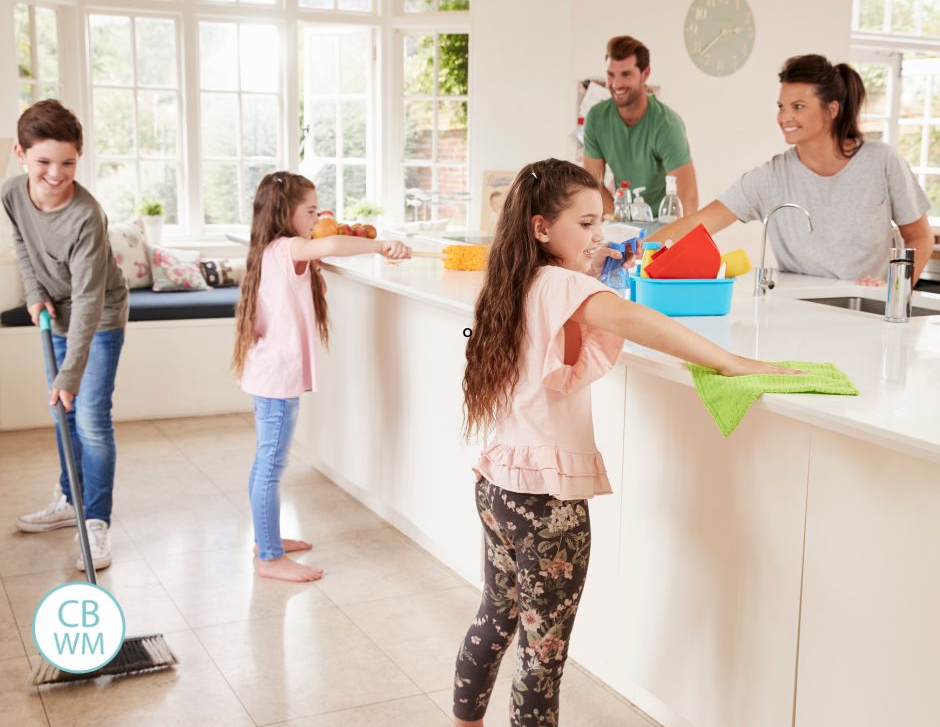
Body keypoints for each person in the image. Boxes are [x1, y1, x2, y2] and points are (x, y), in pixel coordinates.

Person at [452, 159, 794, 726]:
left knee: (495, 616)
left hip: (498, 487)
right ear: (542, 228)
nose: (598, 236)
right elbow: (634, 317)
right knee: (543, 657)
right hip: (548, 505)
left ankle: (465, 722)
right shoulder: (563, 284)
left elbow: (563, 345)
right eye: (585, 225)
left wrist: (594, 269)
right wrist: (730, 360)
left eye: (601, 223)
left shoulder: (513, 280)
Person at [232, 171, 410, 583]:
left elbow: (323, 245)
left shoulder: (273, 249)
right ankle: (269, 556)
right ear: (284, 212)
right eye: (310, 210)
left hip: (270, 374)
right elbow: (328, 243)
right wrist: (382, 245)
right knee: (270, 466)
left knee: (268, 462)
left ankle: (267, 539)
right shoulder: (288, 248)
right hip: (276, 379)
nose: (317, 217)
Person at [653, 54, 934, 284]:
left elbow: (919, 236)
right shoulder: (772, 177)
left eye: (798, 106)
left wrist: (895, 290)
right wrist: (635, 250)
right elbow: (697, 224)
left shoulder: (881, 162)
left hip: (869, 307)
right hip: (800, 307)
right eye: (781, 107)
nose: (785, 117)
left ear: (831, 110)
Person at [3, 99, 128, 571]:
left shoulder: (85, 218)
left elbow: (91, 302)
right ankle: (68, 500)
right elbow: (21, 241)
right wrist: (34, 292)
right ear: (20, 153)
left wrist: (70, 373)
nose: (57, 174)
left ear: (80, 156)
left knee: (90, 416)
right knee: (62, 413)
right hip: (55, 310)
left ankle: (95, 522)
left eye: (69, 162)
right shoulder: (12, 193)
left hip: (98, 315)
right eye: (44, 162)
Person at [583, 35, 699, 218]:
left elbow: (688, 199)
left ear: (645, 74)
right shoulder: (596, 119)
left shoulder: (667, 125)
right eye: (611, 75)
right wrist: (619, 219)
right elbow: (593, 182)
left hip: (663, 221)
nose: (616, 84)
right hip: (623, 216)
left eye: (626, 74)